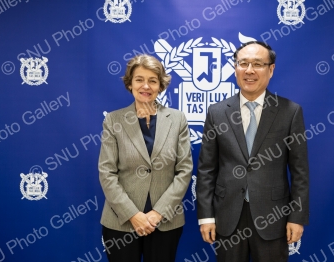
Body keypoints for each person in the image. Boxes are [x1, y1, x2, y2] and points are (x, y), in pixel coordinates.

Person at [196, 41, 309, 262]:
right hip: (227, 216)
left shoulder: (290, 112)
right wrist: (206, 217)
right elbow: (207, 169)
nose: (249, 70)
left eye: (257, 64)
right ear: (235, 68)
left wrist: (297, 217)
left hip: (273, 217)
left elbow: (300, 172)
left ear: (271, 69)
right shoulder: (217, 113)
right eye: (243, 63)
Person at [99, 54, 193, 262]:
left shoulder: (177, 119)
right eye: (139, 79)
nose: (146, 86)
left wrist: (158, 213)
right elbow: (107, 173)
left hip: (166, 221)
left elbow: (184, 170)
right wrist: (133, 215)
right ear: (130, 84)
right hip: (121, 222)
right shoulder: (113, 120)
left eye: (153, 80)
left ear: (161, 85)